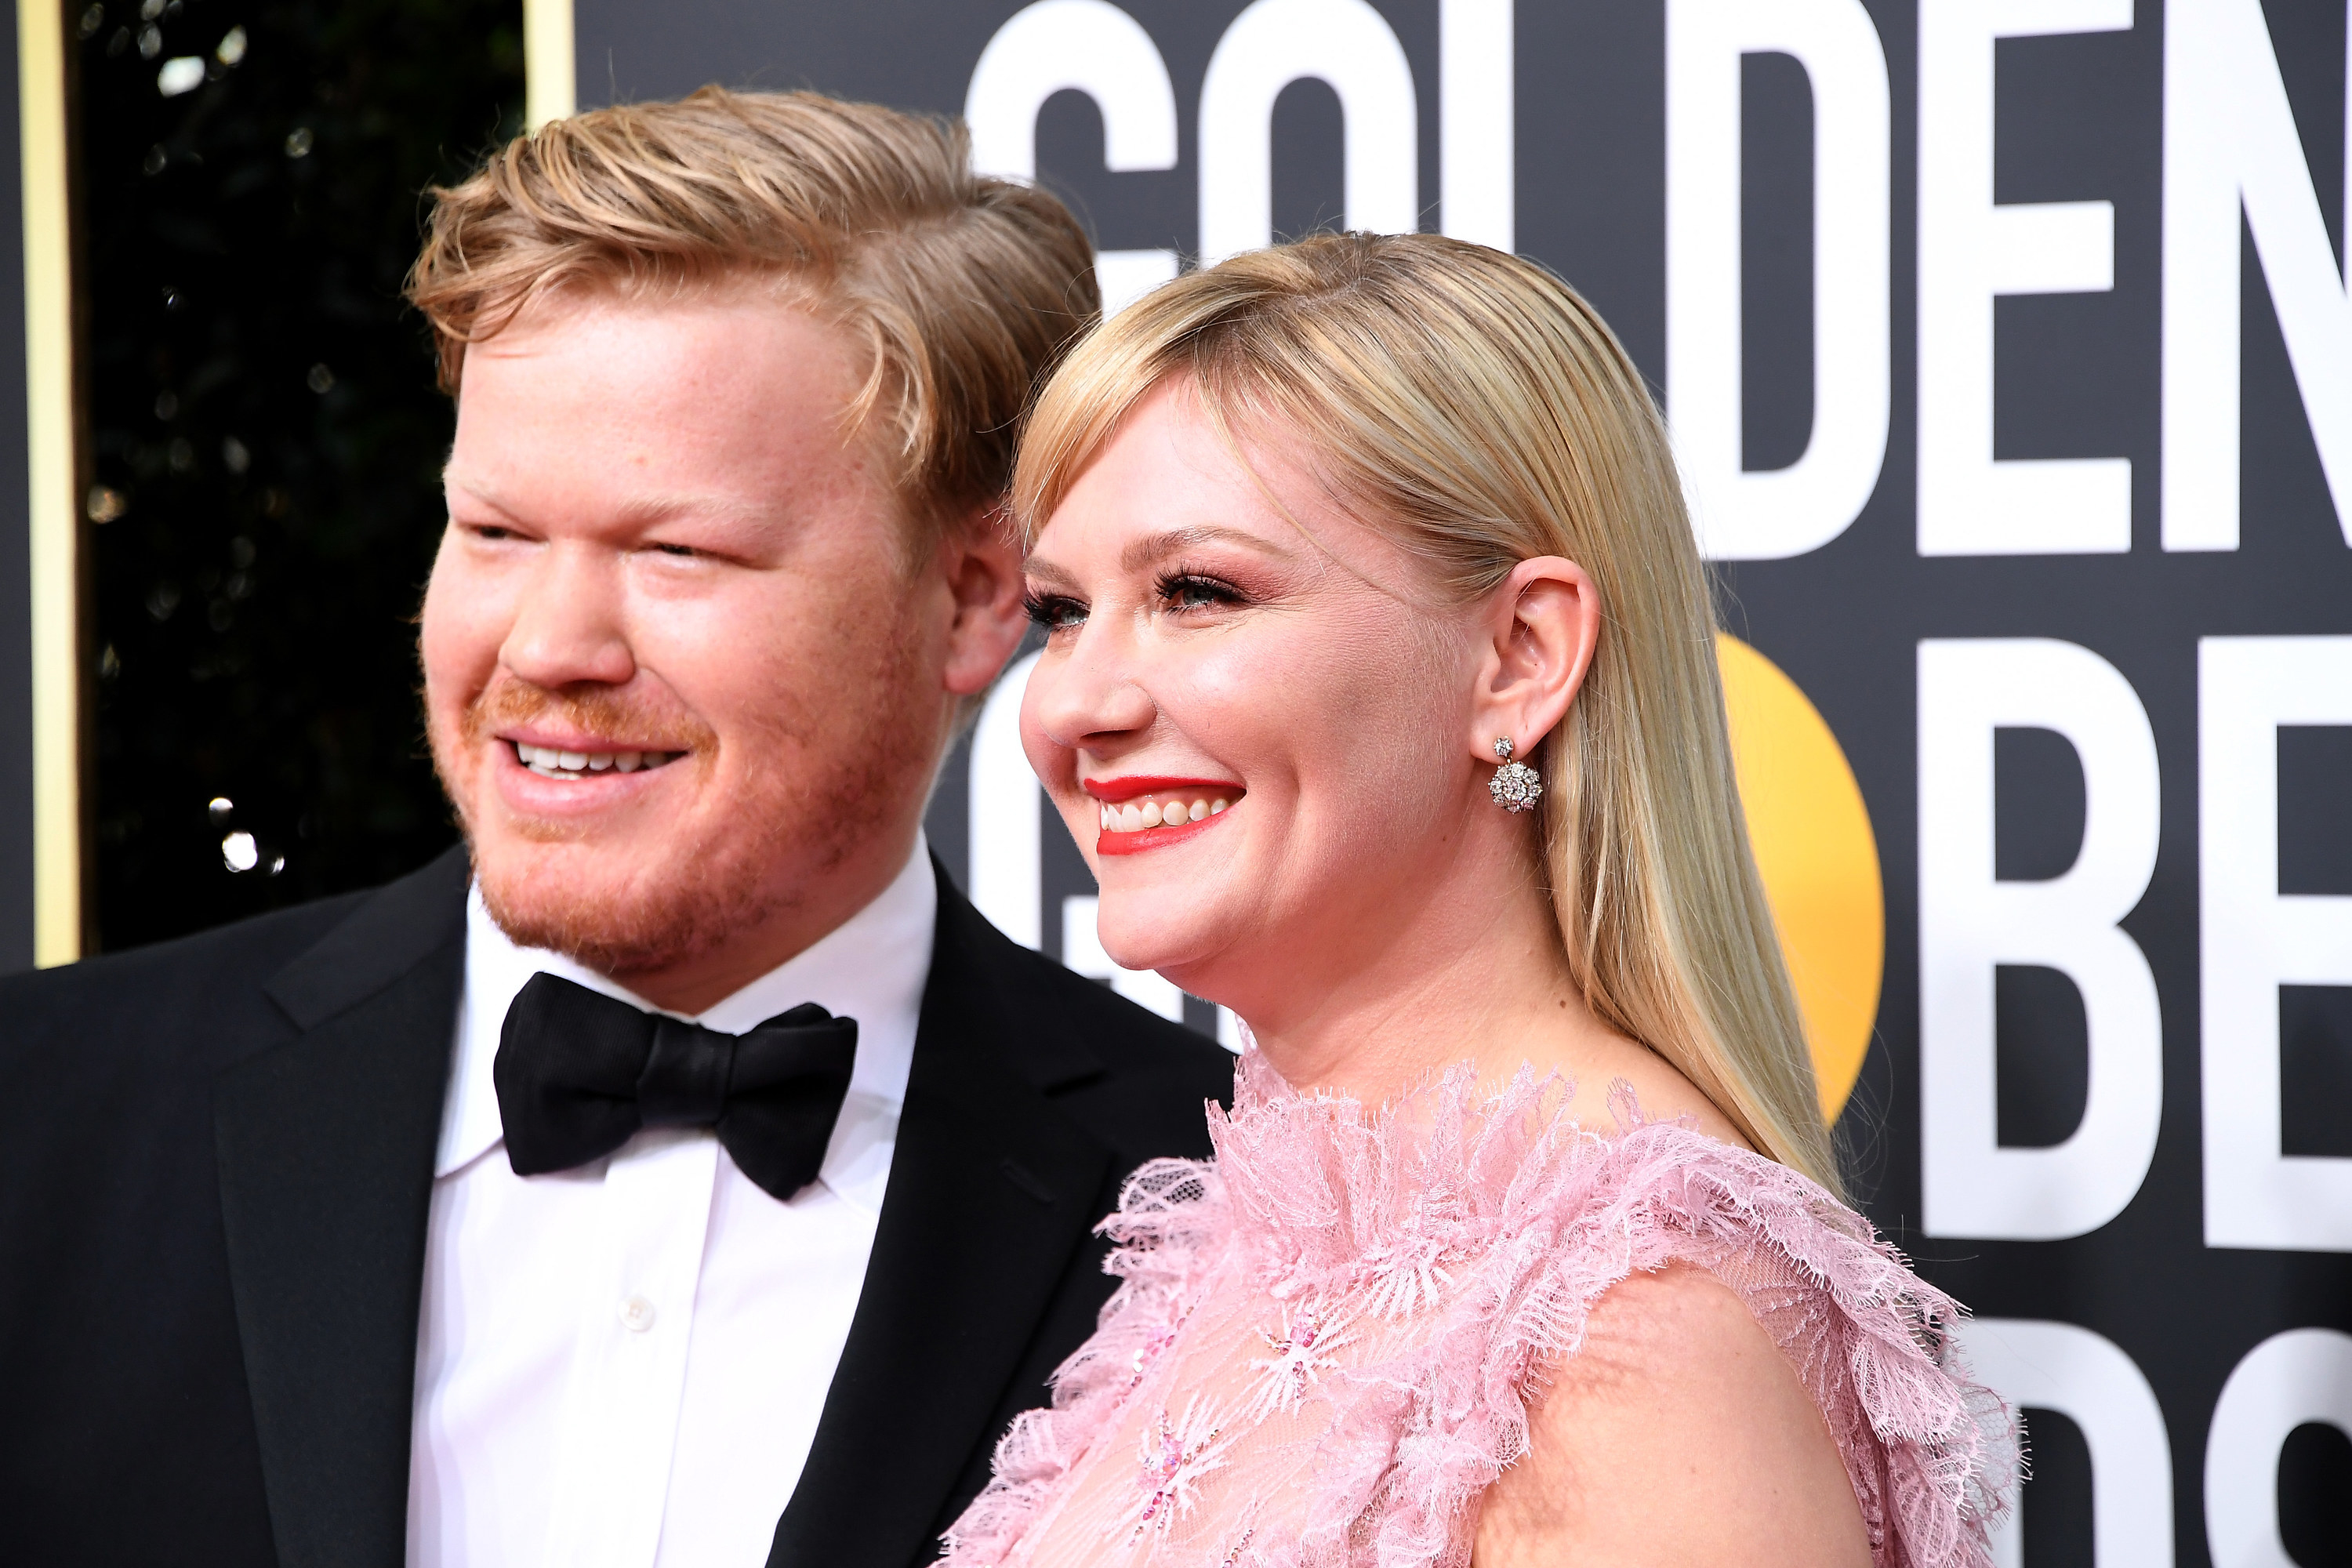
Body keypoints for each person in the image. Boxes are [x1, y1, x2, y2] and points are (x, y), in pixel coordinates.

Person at [0, 89, 1232, 1568]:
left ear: (974, 596)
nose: (550, 645)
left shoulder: (1225, 1208)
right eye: (498, 532)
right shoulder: (40, 1124)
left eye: (677, 551)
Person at [940, 233, 2015, 1567]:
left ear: (1520, 656)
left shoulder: (1641, 1329)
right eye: (1062, 610)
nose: (1074, 707)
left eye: (1197, 592)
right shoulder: (1238, 1241)